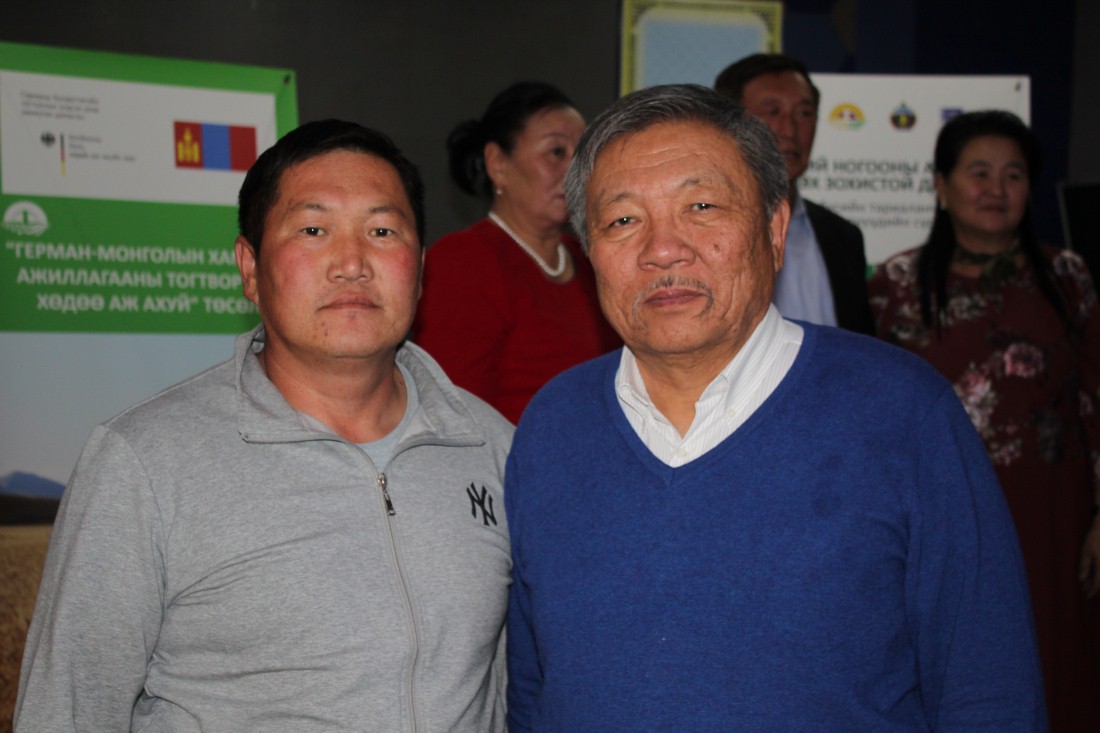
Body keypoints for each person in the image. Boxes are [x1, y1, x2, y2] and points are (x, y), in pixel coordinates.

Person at [505, 84, 1047, 731]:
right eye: (623, 220)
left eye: (701, 206)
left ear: (775, 229)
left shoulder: (900, 413)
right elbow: (533, 694)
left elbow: (988, 690)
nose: (662, 248)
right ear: (591, 249)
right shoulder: (553, 427)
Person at [15, 120, 514, 732]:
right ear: (249, 267)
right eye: (313, 230)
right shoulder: (143, 462)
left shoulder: (492, 447)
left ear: (421, 267)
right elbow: (65, 711)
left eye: (383, 231)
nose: (352, 263)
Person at [869, 110, 1100, 732]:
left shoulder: (1069, 277)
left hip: (1051, 517)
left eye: (1013, 175)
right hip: (932, 516)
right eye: (979, 172)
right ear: (941, 185)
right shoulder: (893, 285)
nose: (997, 189)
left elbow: (1096, 395)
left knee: (1053, 666)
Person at [413, 81, 619, 424]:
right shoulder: (466, 261)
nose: (576, 172)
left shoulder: (590, 258)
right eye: (556, 152)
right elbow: (454, 411)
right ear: (497, 163)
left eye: (582, 155)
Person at [715, 53, 874, 334]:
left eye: (804, 113)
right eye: (773, 112)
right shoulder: (701, 229)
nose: (789, 130)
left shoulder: (843, 237)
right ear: (728, 127)